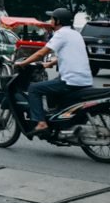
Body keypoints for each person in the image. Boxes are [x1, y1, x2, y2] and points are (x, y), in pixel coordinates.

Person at [16, 7, 93, 135]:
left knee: (34, 88)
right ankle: (57, 118)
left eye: (52, 19)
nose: (50, 21)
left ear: (58, 21)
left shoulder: (61, 34)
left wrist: (23, 63)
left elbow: (42, 52)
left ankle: (41, 123)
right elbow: (71, 54)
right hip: (83, 79)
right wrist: (51, 63)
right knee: (52, 86)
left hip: (70, 81)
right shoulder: (76, 34)